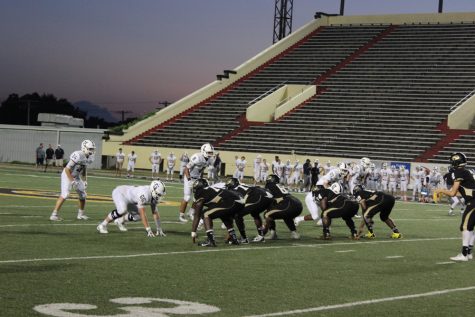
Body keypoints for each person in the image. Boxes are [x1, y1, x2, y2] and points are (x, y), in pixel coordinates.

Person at [435, 152, 475, 261]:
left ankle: (464, 255)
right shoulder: (466, 171)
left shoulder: (458, 172)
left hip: (473, 202)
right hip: (472, 200)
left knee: (465, 227)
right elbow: (462, 190)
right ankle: (469, 253)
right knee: (470, 227)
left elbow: (452, 193)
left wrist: (441, 190)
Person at [96, 180, 166, 237]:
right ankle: (102, 225)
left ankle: (119, 221)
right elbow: (142, 213)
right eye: (159, 194)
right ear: (153, 191)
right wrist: (148, 230)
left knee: (137, 216)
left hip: (130, 199)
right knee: (122, 210)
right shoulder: (144, 194)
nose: (159, 196)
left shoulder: (152, 195)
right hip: (121, 193)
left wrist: (159, 228)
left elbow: (155, 212)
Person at [50, 140, 95, 221]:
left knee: (83, 195)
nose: (92, 151)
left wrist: (85, 180)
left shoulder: (90, 157)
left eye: (92, 149)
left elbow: (84, 168)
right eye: (90, 149)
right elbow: (67, 169)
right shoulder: (77, 155)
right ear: (84, 148)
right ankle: (54, 215)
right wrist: (72, 181)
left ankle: (80, 215)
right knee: (65, 194)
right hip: (67, 175)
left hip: (76, 176)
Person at [190, 178, 241, 247]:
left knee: (206, 214)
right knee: (223, 214)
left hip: (229, 201)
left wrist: (193, 231)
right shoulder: (210, 190)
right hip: (238, 201)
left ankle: (210, 241)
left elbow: (197, 215)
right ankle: (233, 238)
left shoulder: (200, 193)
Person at [254, 174, 302, 242]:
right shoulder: (279, 186)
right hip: (297, 204)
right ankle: (294, 233)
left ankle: (267, 234)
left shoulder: (269, 185)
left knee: (267, 214)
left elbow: (267, 199)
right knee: (286, 215)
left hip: (287, 204)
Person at [225, 177, 274, 243]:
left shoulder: (234, 190)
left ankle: (244, 238)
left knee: (237, 215)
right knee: (254, 213)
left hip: (258, 197)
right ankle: (261, 236)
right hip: (268, 196)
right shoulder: (242, 185)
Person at [179, 143, 214, 223]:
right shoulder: (197, 157)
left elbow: (201, 169)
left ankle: (191, 212)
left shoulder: (209, 159)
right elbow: (186, 169)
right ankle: (181, 215)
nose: (210, 154)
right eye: (208, 152)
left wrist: (201, 179)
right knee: (187, 197)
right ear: (203, 151)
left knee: (197, 198)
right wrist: (189, 180)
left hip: (197, 178)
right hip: (189, 177)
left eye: (211, 152)